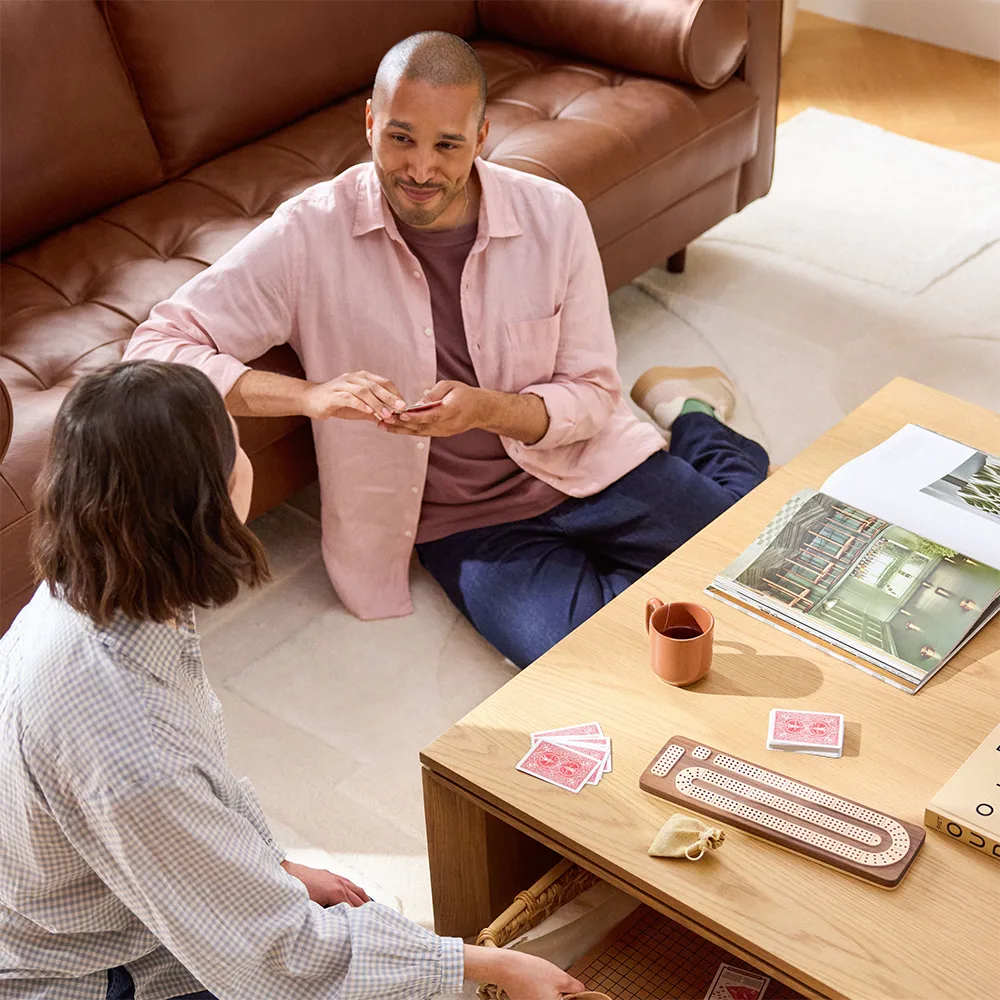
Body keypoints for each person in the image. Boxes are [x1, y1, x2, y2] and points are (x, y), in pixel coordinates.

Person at [125, 31, 769, 667]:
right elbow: (155, 348)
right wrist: (309, 396)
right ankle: (685, 448)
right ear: (371, 122)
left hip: (589, 465)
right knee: (591, 659)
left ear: (482, 137)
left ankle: (693, 418)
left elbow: (593, 396)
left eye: (448, 145)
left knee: (752, 565)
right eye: (401, 137)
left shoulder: (554, 216)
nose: (421, 170)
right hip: (470, 527)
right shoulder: (308, 232)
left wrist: (484, 410)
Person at [0, 361, 583, 1000]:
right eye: (236, 449)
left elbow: (198, 783)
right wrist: (491, 966)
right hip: (95, 973)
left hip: (103, 898)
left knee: (365, 926)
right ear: (206, 501)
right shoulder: (128, 737)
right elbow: (278, 958)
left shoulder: (93, 584)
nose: (244, 459)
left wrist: (274, 867)